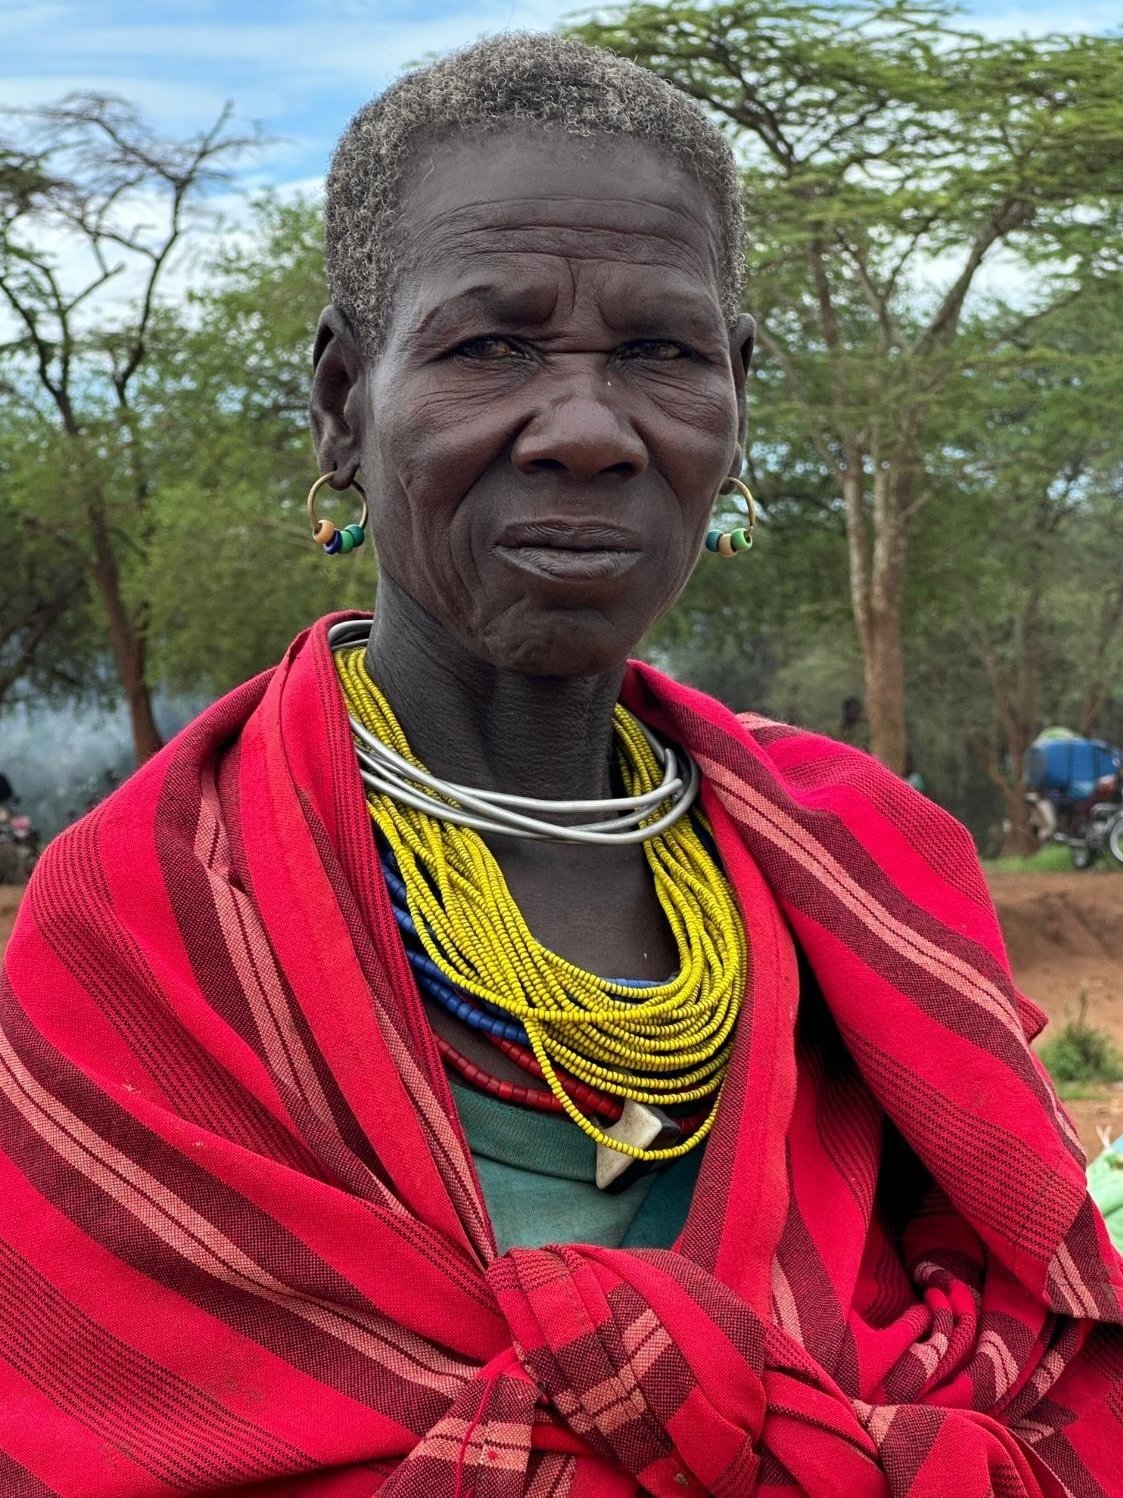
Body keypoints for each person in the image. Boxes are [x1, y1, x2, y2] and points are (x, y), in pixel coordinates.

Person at [0, 35, 1119, 1498]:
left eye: (661, 349)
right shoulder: (157, 911)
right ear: (342, 400)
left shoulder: (868, 868)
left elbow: (1025, 1345)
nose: (588, 430)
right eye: (490, 347)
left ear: (736, 392)